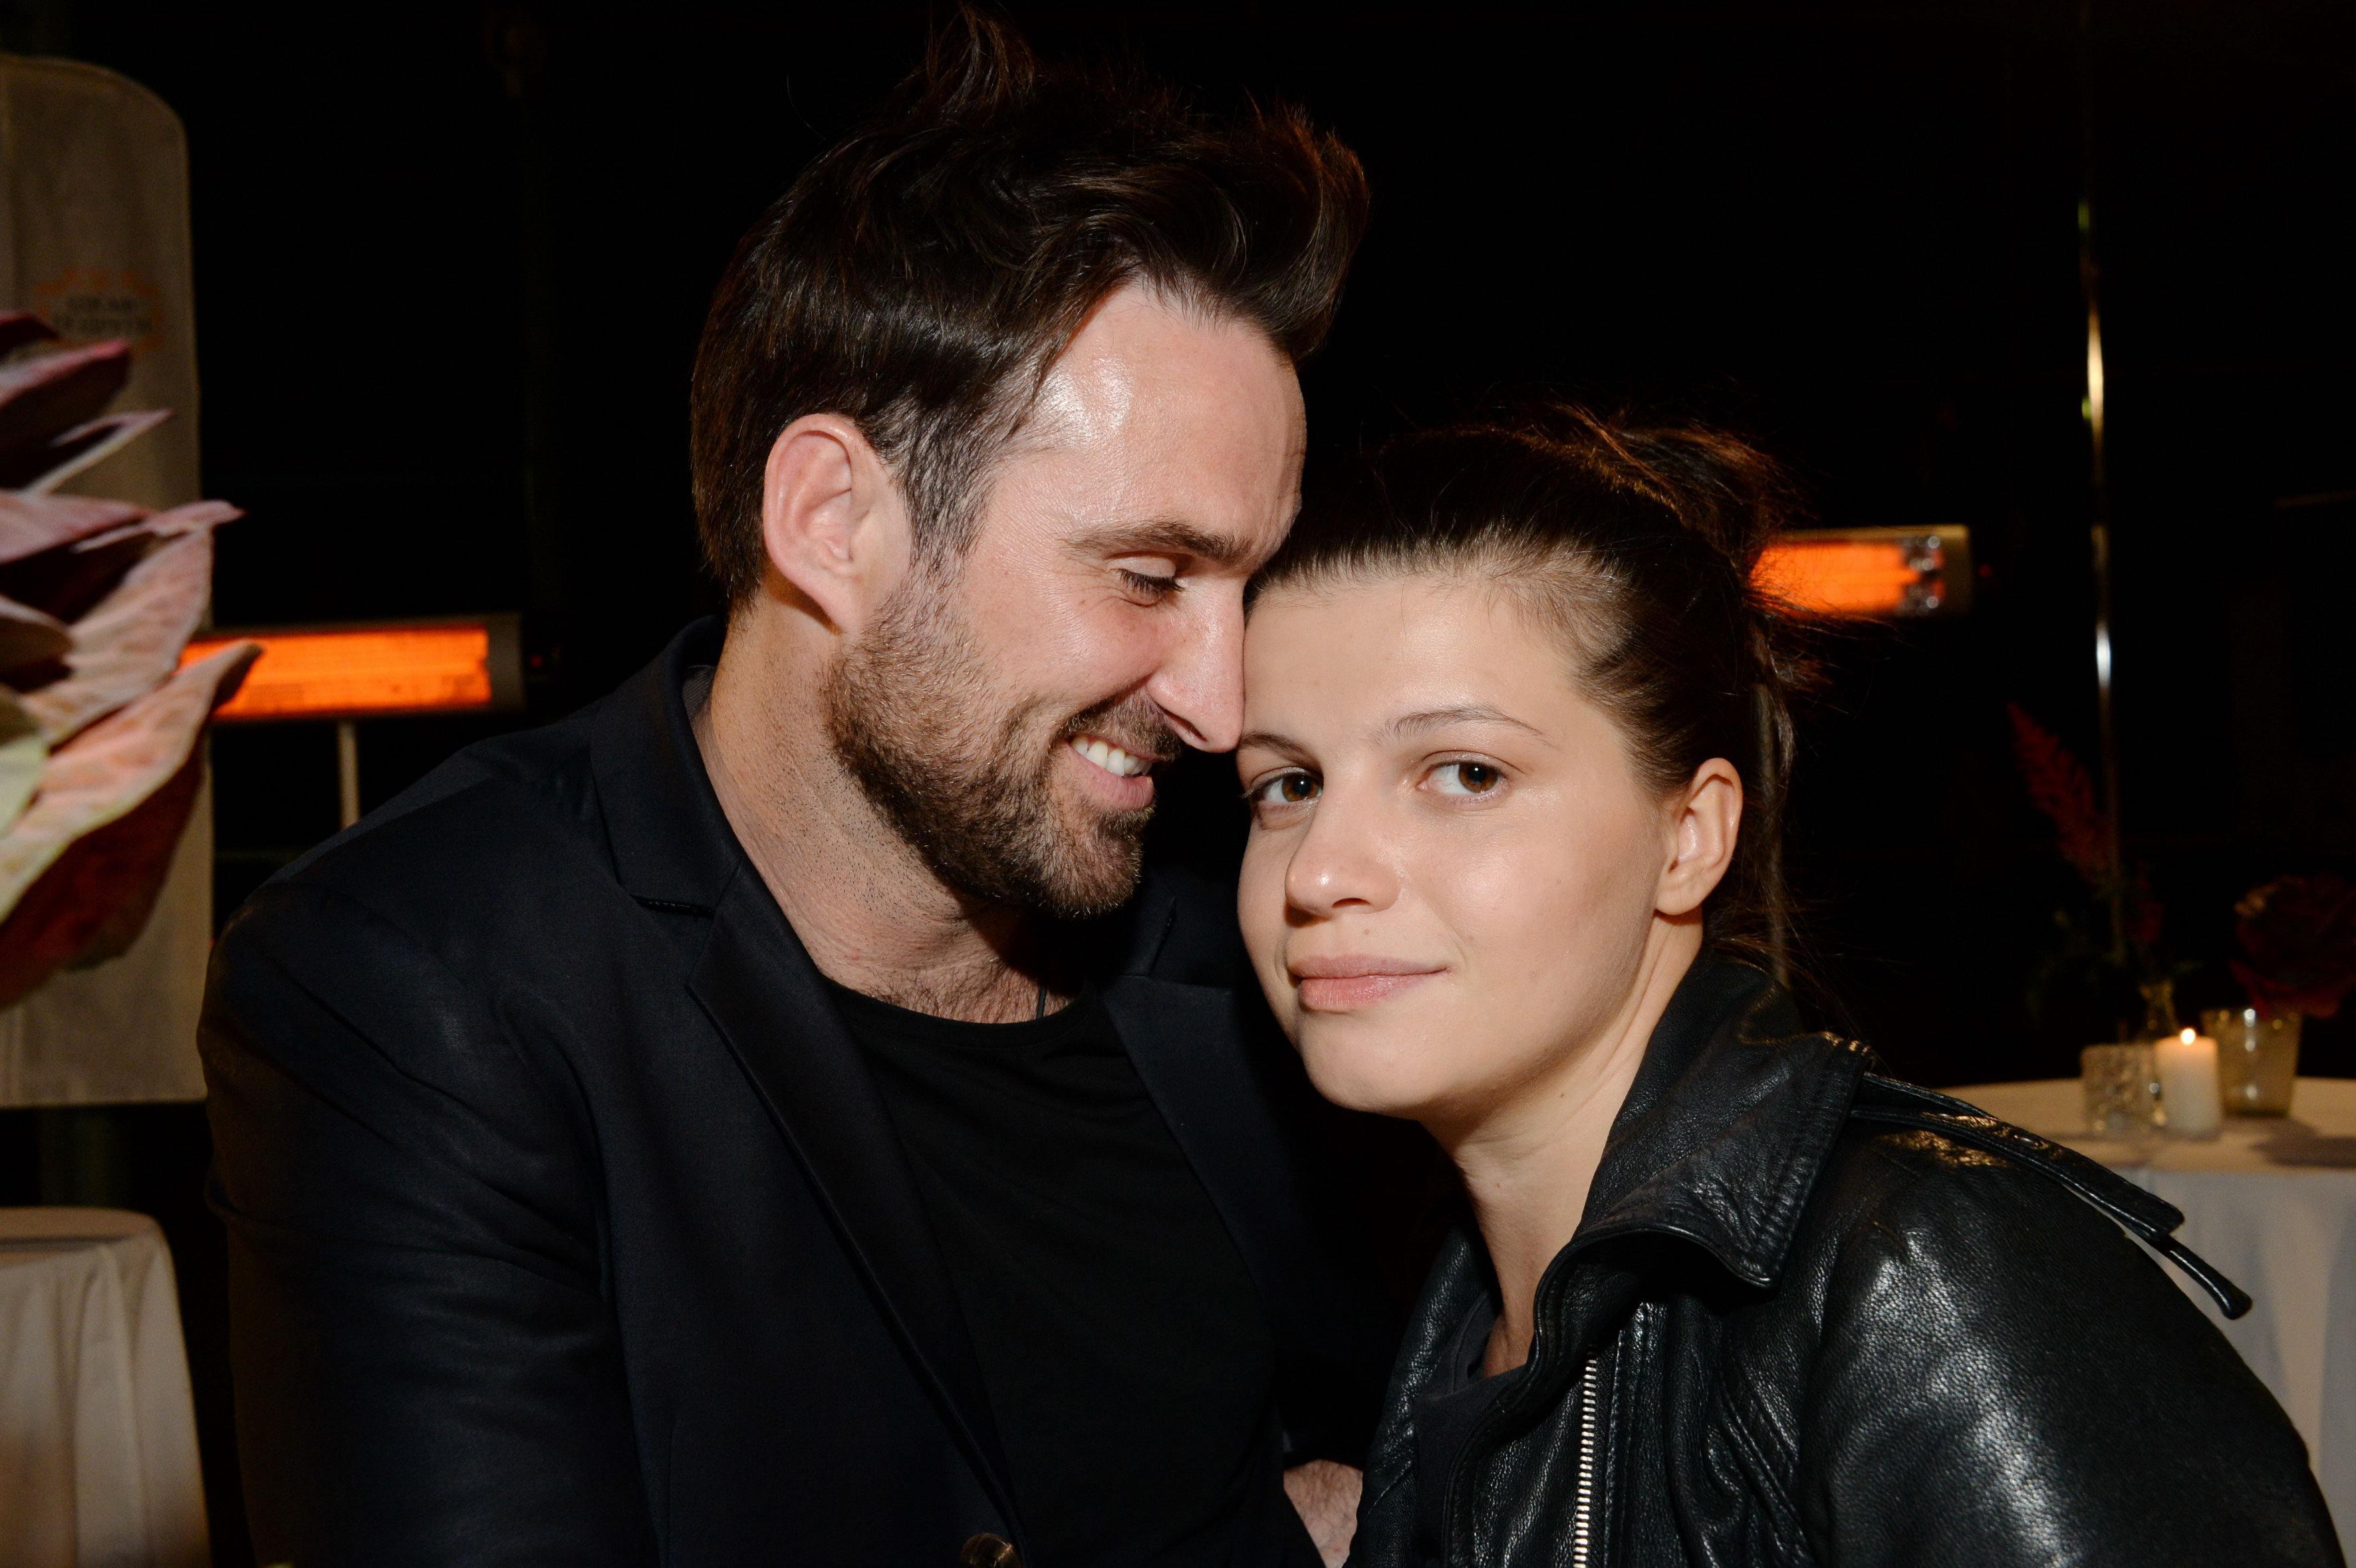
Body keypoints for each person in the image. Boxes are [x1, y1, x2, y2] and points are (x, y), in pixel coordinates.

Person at [200, 15, 1390, 1567]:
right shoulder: (420, 987)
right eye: (1149, 575)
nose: (1221, 708)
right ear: (833, 518)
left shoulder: (1250, 955)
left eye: (1247, 589)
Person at [1232, 404, 2344, 1567]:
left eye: (1465, 772)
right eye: (1287, 783)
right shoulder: (1461, 1316)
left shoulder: (1932, 1283)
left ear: (1690, 836)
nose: (1320, 871)